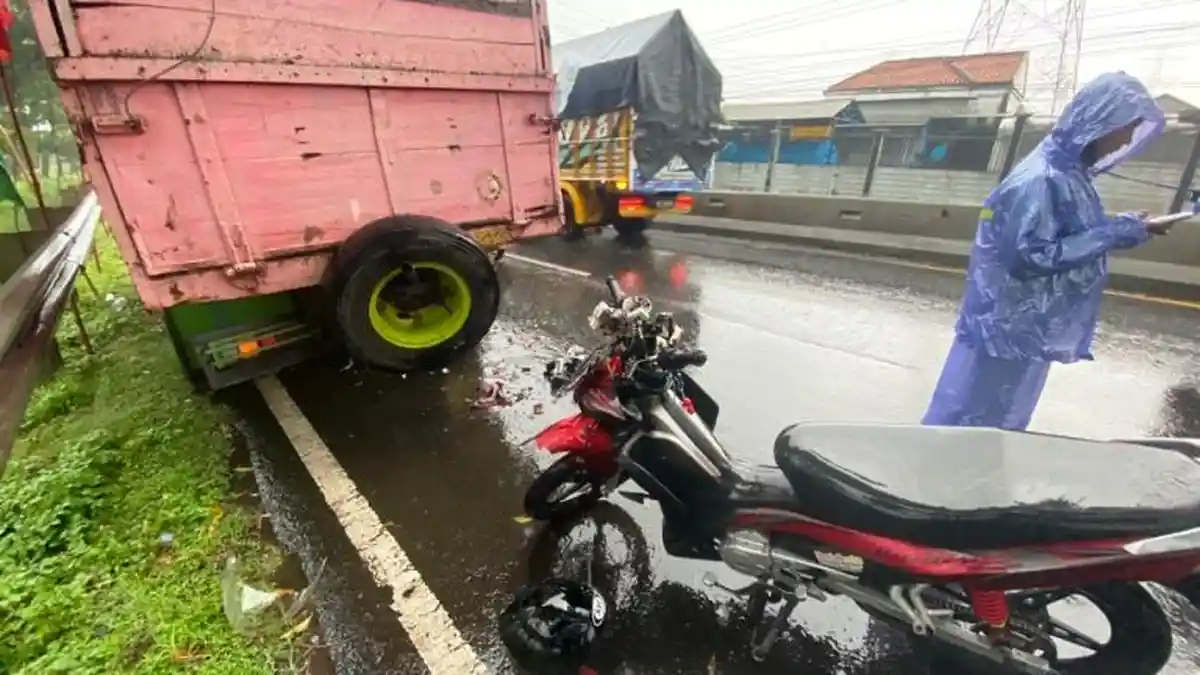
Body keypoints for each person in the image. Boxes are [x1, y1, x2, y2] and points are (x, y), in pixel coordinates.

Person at [922, 72, 1172, 430]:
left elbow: (1072, 233)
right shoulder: (1042, 178)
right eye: (1127, 127)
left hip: (1022, 327)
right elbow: (1030, 253)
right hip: (1008, 328)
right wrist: (1117, 232)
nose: (1127, 139)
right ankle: (950, 465)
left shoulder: (1067, 174)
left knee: (994, 420)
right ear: (1102, 120)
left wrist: (1129, 228)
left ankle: (968, 462)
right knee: (976, 423)